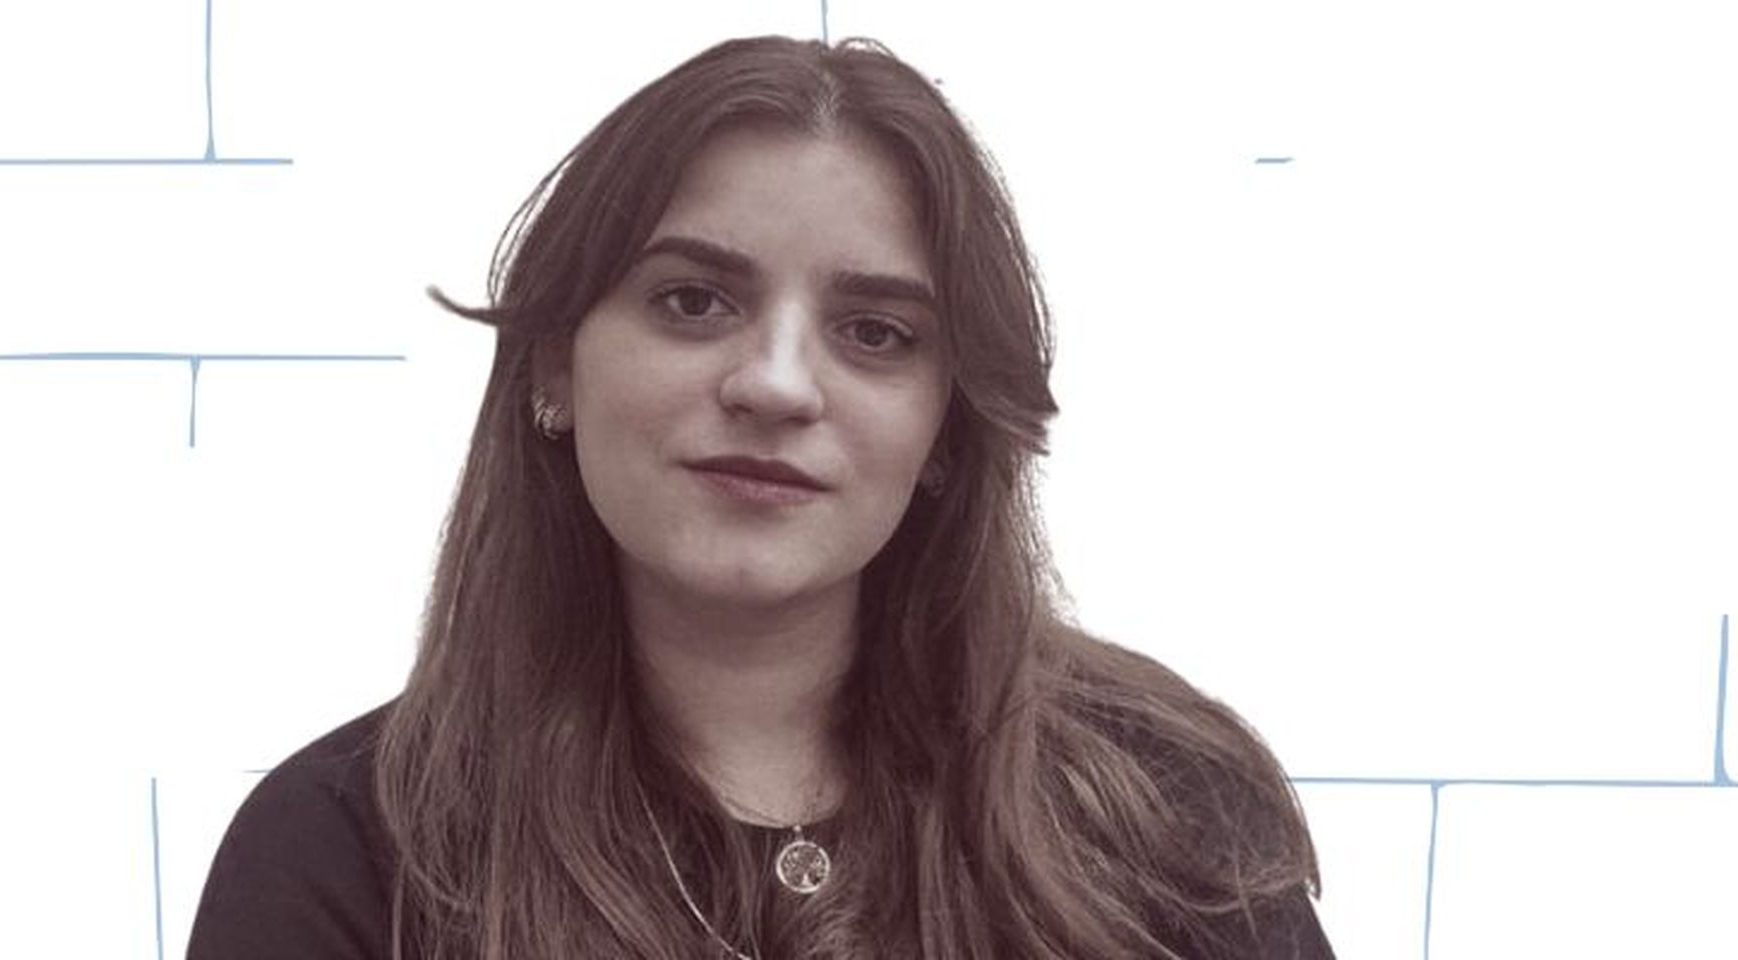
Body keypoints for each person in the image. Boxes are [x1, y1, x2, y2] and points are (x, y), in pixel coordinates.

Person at [188, 35, 1333, 960]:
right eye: (693, 302)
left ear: (946, 425)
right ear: (553, 367)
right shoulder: (341, 853)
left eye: (875, 333)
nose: (778, 384)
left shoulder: (1164, 804)